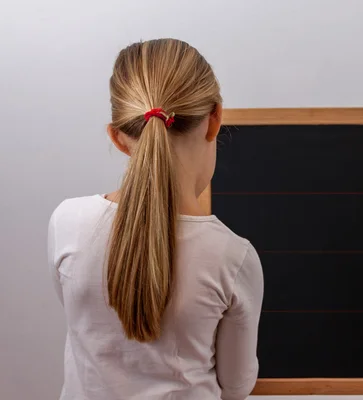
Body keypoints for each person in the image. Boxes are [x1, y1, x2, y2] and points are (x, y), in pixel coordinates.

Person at [47, 38, 264, 400]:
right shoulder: (232, 256)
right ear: (215, 120)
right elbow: (236, 386)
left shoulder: (68, 221)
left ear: (118, 138)